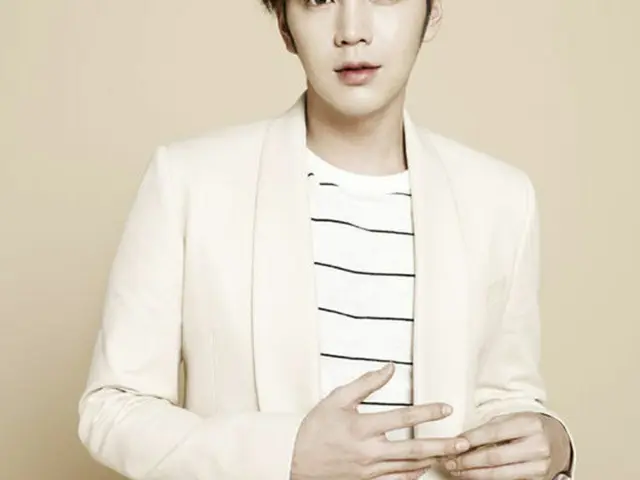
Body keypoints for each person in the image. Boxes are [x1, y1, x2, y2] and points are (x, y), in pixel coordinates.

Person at [77, 0, 576, 479]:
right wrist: (284, 456)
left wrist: (555, 446)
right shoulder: (189, 181)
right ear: (284, 24)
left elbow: (507, 400)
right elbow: (111, 409)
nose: (352, 31)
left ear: (432, 11)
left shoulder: (501, 199)